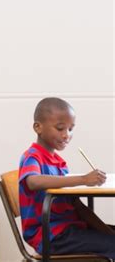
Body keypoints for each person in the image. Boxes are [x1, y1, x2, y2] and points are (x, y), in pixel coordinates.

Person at [19, 97, 115, 258]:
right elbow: (33, 181)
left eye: (71, 129)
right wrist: (83, 180)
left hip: (69, 229)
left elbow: (77, 205)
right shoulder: (32, 156)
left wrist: (106, 231)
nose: (66, 135)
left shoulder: (59, 163)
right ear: (38, 127)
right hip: (50, 236)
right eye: (60, 128)